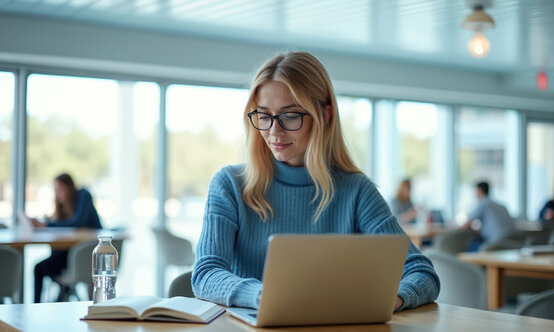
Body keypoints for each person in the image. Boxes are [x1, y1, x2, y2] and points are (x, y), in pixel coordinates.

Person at [192, 52, 439, 312]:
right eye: (264, 116)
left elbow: (422, 272)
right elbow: (206, 274)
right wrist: (267, 296)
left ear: (325, 115)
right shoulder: (230, 185)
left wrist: (391, 299)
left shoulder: (356, 192)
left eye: (290, 116)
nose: (274, 131)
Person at [32, 173, 102, 302]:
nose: (58, 194)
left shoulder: (84, 195)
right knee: (44, 264)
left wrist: (47, 225)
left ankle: (42, 302)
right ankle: (62, 294)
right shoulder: (63, 207)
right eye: (55, 190)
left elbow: (76, 223)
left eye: (60, 190)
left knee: (39, 268)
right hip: (70, 253)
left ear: (69, 187)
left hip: (87, 255)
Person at [462, 181, 514, 250]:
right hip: (513, 242)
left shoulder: (483, 203)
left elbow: (466, 224)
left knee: (467, 247)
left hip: (496, 243)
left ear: (479, 191)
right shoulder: (501, 205)